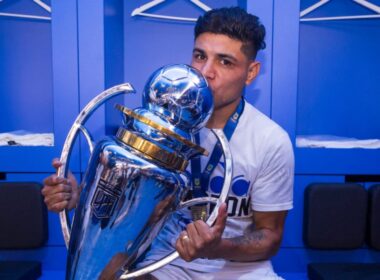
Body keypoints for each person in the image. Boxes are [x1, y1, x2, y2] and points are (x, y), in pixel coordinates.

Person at [42, 6, 294, 280]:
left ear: (251, 72)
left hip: (238, 270)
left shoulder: (271, 140)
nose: (206, 72)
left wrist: (216, 247)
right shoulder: (154, 127)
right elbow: (129, 211)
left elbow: (270, 237)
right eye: (200, 56)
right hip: (164, 267)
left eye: (225, 62)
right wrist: (85, 200)